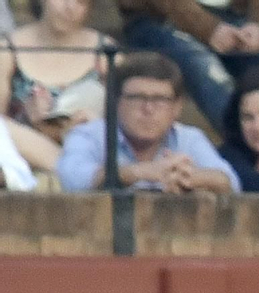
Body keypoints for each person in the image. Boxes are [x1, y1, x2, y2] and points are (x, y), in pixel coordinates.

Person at [57, 50, 239, 190]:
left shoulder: (189, 138)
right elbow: (72, 179)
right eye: (137, 97)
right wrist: (140, 173)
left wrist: (190, 177)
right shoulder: (89, 134)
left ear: (177, 107)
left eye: (160, 100)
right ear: (115, 101)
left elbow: (230, 182)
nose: (148, 109)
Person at [117, 0, 259, 132]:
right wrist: (208, 28)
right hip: (157, 18)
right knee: (208, 71)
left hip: (237, 15)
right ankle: (245, 156)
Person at [2, 0, 111, 144]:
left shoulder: (106, 53)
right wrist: (26, 118)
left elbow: (124, 126)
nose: (70, 7)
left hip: (89, 150)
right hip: (22, 155)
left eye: (81, 2)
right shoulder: (7, 51)